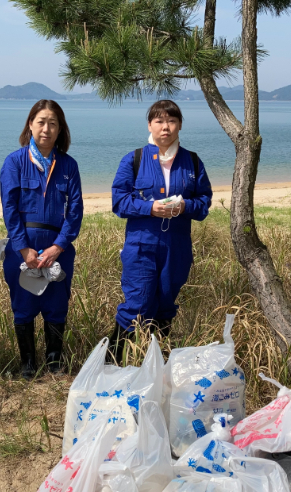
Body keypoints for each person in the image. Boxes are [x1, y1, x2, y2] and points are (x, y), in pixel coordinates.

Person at [108, 100, 212, 362]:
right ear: (150, 125)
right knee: (137, 305)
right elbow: (119, 202)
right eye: (159, 121)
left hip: (176, 247)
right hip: (141, 245)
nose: (165, 126)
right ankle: (112, 362)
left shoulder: (193, 162)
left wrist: (185, 206)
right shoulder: (134, 159)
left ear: (179, 125)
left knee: (166, 305)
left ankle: (157, 363)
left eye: (171, 121)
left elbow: (204, 204)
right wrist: (149, 208)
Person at [0, 100, 84, 379]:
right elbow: (9, 209)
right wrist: (24, 249)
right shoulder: (14, 162)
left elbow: (76, 211)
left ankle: (54, 363)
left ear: (60, 129)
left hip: (58, 247)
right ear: (30, 125)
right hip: (21, 247)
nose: (46, 129)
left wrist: (58, 247)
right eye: (41, 122)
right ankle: (27, 365)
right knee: (23, 305)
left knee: (56, 304)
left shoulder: (68, 166)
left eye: (53, 123)